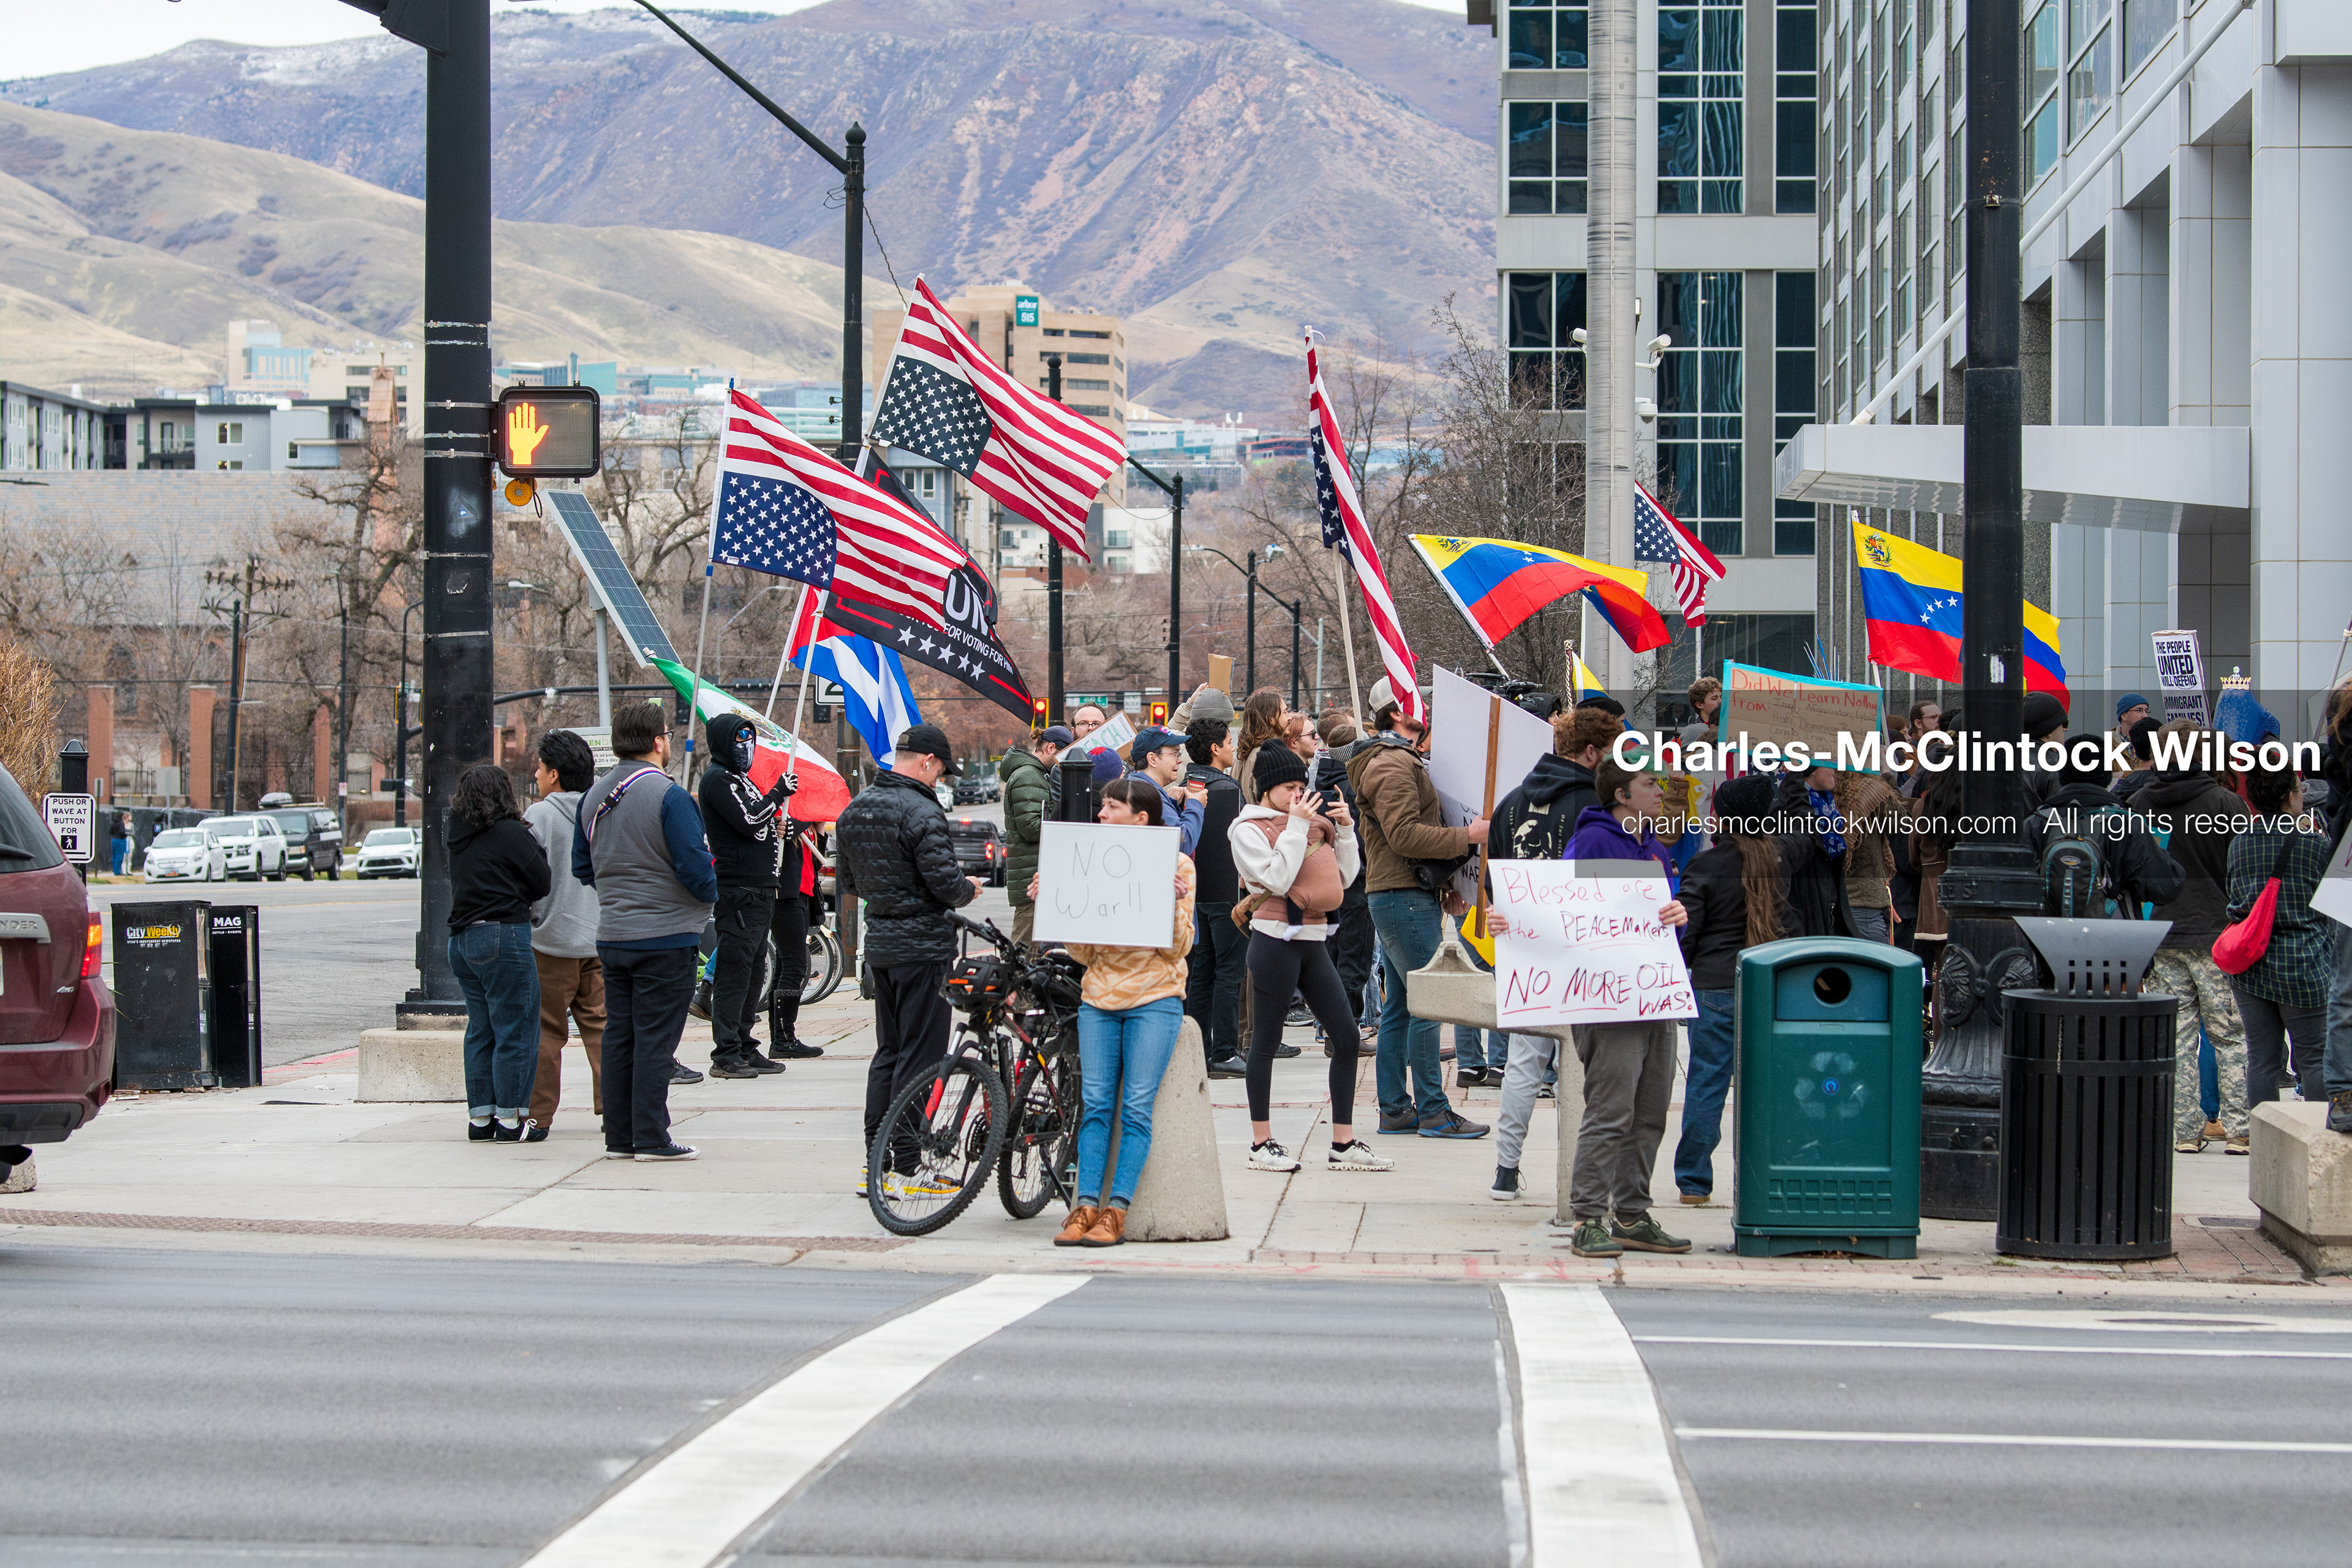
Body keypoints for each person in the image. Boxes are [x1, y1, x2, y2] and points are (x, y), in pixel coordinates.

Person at [1500, 758, 1692, 1256]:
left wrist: (1678, 914)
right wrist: (1513, 922)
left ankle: (1631, 1212)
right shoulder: (1592, 842)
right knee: (1611, 1111)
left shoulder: (1652, 848)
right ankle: (1590, 1216)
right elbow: (1556, 909)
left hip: (1652, 997)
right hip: (1608, 1003)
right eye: (1649, 784)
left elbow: (1658, 922)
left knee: (1650, 1112)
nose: (1660, 791)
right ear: (1621, 795)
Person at [1048, 778, 1199, 1247]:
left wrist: (1173, 904)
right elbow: (1083, 953)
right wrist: (1057, 903)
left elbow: (1178, 950)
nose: (1101, 815)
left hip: (1155, 999)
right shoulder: (1090, 864)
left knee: (1135, 1107)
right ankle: (1084, 1206)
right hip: (1098, 999)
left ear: (1141, 819)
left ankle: (1117, 1211)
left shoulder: (1179, 867)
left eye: (1111, 808)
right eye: (1102, 807)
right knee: (1095, 1105)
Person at [834, 722, 982, 1196]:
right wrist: (969, 889)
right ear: (928, 762)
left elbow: (851, 883)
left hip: (882, 944)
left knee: (889, 1053)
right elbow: (946, 885)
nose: (940, 781)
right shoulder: (921, 811)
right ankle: (907, 1164)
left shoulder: (855, 809)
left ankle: (875, 1162)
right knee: (921, 1057)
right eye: (941, 771)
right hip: (923, 946)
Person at [1229, 741, 1390, 1172]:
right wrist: (1296, 828)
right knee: (1264, 1040)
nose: (1296, 796)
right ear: (1265, 789)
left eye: (1301, 786)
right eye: (1287, 788)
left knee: (1347, 1036)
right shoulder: (1247, 829)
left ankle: (1343, 1141)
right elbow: (1277, 879)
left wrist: (1345, 831)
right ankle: (1261, 1143)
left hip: (1313, 940)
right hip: (1275, 940)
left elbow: (1344, 876)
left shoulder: (1310, 823)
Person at [571, 701, 717, 1163]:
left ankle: (620, 1137)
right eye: (668, 736)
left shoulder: (592, 797)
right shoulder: (669, 796)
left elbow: (582, 867)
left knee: (621, 1036)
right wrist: (713, 894)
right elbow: (697, 873)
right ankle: (653, 1137)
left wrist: (622, 889)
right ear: (657, 741)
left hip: (613, 935)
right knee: (656, 1040)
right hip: (667, 937)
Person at [1346, 676, 1491, 1140]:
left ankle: (1397, 1110)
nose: (1427, 711)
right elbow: (1405, 834)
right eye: (1416, 704)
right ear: (1395, 714)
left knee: (1404, 1008)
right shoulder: (1390, 763)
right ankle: (1432, 1111)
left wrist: (1445, 881)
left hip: (1405, 895)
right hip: (1401, 898)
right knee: (1427, 1005)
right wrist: (1468, 838)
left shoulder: (1398, 759)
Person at [1665, 774, 1792, 1204]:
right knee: (1767, 1085)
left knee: (1706, 1083)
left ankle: (1694, 1182)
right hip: (1767, 982)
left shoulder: (1706, 866)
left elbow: (1687, 930)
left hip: (1714, 984)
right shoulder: (1781, 860)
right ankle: (1763, 1175)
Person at [2144, 723, 2254, 1153]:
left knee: (2178, 1036)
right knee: (2228, 1035)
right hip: (2216, 931)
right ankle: (2239, 1128)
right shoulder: (2226, 803)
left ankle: (2185, 1130)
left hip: (2161, 932)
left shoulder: (2140, 802)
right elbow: (2241, 868)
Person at [445, 762, 551, 1142]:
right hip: (503, 936)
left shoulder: (457, 834)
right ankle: (511, 1121)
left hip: (461, 942)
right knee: (517, 1029)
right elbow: (541, 881)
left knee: (481, 1030)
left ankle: (480, 1119)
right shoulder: (510, 833)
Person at [696, 713, 805, 1080]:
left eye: (750, 741)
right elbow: (747, 821)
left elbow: (759, 825)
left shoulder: (742, 781)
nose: (747, 749)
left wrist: (781, 823)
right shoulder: (717, 780)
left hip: (761, 889)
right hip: (740, 891)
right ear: (724, 744)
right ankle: (725, 1053)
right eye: (740, 742)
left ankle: (744, 1045)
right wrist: (777, 794)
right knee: (734, 972)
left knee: (755, 969)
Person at [2226, 759, 2332, 1112]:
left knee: (2262, 1058)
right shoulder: (2315, 845)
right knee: (2315, 1058)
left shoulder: (2239, 843)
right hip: (2305, 962)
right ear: (2291, 796)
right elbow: (2334, 908)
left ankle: (2265, 1145)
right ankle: (2319, 1142)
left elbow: (2236, 897)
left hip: (2250, 966)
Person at [524, 730, 605, 1140]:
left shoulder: (538, 817)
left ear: (554, 774)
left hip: (550, 942)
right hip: (599, 939)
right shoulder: (602, 813)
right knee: (602, 1029)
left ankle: (539, 1117)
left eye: (540, 768)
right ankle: (615, 1107)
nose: (537, 775)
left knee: (547, 1035)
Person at [2026, 739, 2185, 918]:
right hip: (2113, 935)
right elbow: (2166, 888)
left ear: (2063, 774)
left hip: (2046, 935)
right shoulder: (2127, 823)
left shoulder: (2036, 822)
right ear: (2105, 775)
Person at [1182, 715, 1248, 1077]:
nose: (1233, 747)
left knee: (1202, 972)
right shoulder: (1227, 788)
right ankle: (1224, 1051)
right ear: (1215, 748)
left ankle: (1199, 1050)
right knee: (1229, 971)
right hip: (1226, 892)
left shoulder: (1184, 785)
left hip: (1195, 892)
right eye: (1228, 741)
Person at [1000, 724, 1066, 948]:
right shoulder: (1029, 776)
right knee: (1024, 952)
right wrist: (1061, 807)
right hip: (1032, 879)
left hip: (1034, 874)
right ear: (1050, 748)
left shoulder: (1036, 774)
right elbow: (1032, 827)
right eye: (1062, 756)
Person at [1775, 762, 1854, 938]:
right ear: (1811, 771)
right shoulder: (1783, 811)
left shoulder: (1830, 810)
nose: (1835, 769)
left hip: (1829, 919)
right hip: (1803, 926)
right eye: (1829, 763)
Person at [1838, 768, 1901, 943]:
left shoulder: (1827, 793)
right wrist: (1888, 777)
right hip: (1866, 903)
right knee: (1875, 966)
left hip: (1838, 900)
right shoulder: (1870, 791)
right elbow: (1898, 823)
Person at [1128, 725, 1207, 854]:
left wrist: (1169, 801)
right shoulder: (1148, 795)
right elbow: (1181, 844)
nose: (1180, 760)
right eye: (1175, 754)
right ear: (1153, 759)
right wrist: (1195, 805)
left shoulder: (1136, 785)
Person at [1234, 688, 1288, 804]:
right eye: (1285, 712)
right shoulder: (1269, 757)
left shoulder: (1243, 754)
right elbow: (1275, 805)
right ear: (1271, 720)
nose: (1290, 717)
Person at [110, 810, 132, 876]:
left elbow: (111, 831)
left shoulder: (114, 822)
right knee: (119, 856)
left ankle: (115, 870)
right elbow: (122, 832)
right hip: (120, 840)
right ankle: (117, 871)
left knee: (114, 856)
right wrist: (125, 835)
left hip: (114, 839)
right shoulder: (121, 823)